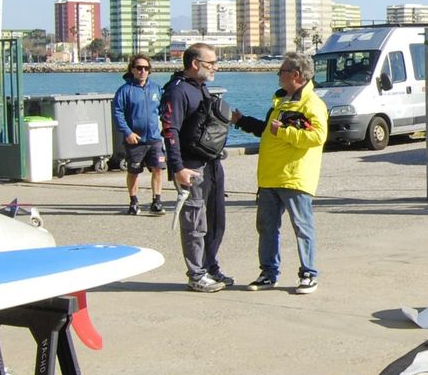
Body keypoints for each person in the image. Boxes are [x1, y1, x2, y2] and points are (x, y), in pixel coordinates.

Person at [233, 52, 328, 295]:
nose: (278, 76)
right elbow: (267, 131)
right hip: (269, 177)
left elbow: (318, 137)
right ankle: (268, 273)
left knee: (302, 227)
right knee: (266, 227)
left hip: (295, 177)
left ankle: (308, 273)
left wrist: (284, 132)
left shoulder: (312, 104)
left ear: (296, 75)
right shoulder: (280, 102)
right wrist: (241, 120)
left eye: (282, 72)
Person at [161, 43, 233, 293]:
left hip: (212, 164)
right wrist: (177, 168)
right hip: (191, 167)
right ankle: (196, 273)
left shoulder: (202, 88)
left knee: (216, 220)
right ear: (194, 64)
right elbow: (170, 130)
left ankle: (210, 266)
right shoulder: (177, 91)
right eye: (210, 63)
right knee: (194, 222)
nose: (215, 67)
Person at [112, 54, 167, 215]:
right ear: (132, 70)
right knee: (134, 172)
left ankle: (156, 201)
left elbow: (164, 111)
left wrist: (167, 128)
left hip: (155, 139)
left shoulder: (156, 89)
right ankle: (134, 201)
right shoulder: (125, 90)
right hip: (135, 140)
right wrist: (127, 132)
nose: (142, 71)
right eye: (139, 68)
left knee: (158, 169)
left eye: (146, 68)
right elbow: (117, 113)